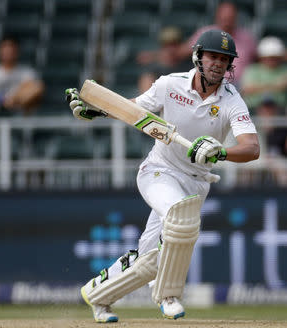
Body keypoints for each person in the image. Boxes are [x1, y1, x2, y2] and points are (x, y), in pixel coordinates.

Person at [65, 29, 259, 322]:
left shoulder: (231, 100)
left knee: (149, 261)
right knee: (180, 221)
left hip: (196, 182)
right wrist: (97, 110)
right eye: (212, 57)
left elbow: (251, 148)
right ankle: (169, 295)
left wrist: (221, 152)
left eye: (225, 59)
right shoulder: (170, 84)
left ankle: (97, 296)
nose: (218, 63)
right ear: (198, 57)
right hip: (159, 171)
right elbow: (134, 110)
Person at [176, 1, 257, 85]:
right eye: (224, 17)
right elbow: (181, 52)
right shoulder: (206, 33)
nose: (227, 20)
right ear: (217, 16)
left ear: (236, 17)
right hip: (210, 81)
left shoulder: (247, 38)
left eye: (230, 17)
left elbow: (258, 60)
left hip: (241, 85)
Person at [0, 36, 45, 116]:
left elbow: (36, 89)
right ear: (0, 51)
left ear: (17, 51)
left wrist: (13, 99)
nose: (8, 52)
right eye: (5, 49)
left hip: (22, 116)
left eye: (11, 49)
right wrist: (0, 103)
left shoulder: (27, 72)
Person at [240, 36, 287, 112]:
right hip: (253, 109)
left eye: (275, 57)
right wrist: (276, 86)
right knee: (266, 108)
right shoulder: (252, 70)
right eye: (269, 57)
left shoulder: (284, 70)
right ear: (261, 57)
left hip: (280, 109)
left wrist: (259, 88)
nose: (272, 60)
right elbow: (247, 89)